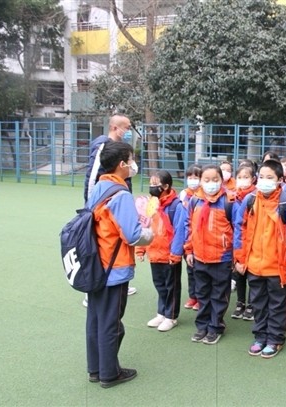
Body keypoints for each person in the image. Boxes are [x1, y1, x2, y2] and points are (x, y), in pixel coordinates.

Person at [85, 140, 153, 388]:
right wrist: (150, 231)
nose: (134, 164)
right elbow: (133, 235)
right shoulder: (120, 194)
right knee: (111, 322)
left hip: (95, 264)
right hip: (114, 267)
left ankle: (96, 369)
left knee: (96, 318)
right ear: (122, 164)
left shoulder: (99, 187)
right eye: (131, 159)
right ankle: (109, 373)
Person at [234, 160, 286, 359]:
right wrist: (240, 259)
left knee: (277, 305)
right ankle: (260, 336)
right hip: (254, 265)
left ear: (280, 180)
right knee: (258, 304)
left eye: (270, 177)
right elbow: (240, 230)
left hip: (278, 267)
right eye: (262, 177)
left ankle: (275, 339)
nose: (264, 181)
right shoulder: (250, 200)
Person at [83, 115, 137, 306]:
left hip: (116, 198)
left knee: (115, 242)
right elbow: (92, 176)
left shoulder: (121, 148)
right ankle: (92, 286)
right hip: (103, 202)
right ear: (115, 127)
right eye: (127, 127)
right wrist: (90, 204)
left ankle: (118, 280)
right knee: (101, 244)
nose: (129, 131)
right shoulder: (102, 146)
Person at [184, 165, 235, 345]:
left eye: (215, 180)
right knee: (202, 294)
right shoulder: (194, 201)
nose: (211, 184)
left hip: (221, 258)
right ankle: (202, 326)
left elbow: (238, 230)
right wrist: (189, 250)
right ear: (200, 181)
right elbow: (189, 227)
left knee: (219, 295)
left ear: (222, 180)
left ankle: (215, 326)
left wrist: (235, 256)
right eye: (206, 180)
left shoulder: (229, 201)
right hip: (199, 257)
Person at [136, 170, 186, 332]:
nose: (152, 187)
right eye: (151, 184)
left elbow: (180, 231)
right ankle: (161, 312)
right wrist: (141, 249)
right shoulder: (151, 204)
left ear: (166, 186)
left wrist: (176, 253)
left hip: (169, 255)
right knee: (160, 285)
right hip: (154, 253)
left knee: (172, 286)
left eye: (155, 184)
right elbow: (145, 226)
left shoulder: (175, 206)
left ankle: (171, 316)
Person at [230, 164, 257, 321]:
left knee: (252, 276)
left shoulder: (256, 197)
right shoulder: (232, 198)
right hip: (238, 241)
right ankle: (240, 302)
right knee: (239, 274)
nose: (242, 180)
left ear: (253, 179)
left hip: (252, 243)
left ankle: (252, 304)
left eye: (246, 177)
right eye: (239, 177)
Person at [180, 165, 202, 311]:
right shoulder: (183, 195)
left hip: (198, 238)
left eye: (196, 177)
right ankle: (192, 296)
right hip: (186, 238)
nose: (193, 180)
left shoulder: (202, 196)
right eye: (190, 177)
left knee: (200, 271)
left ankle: (200, 298)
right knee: (190, 269)